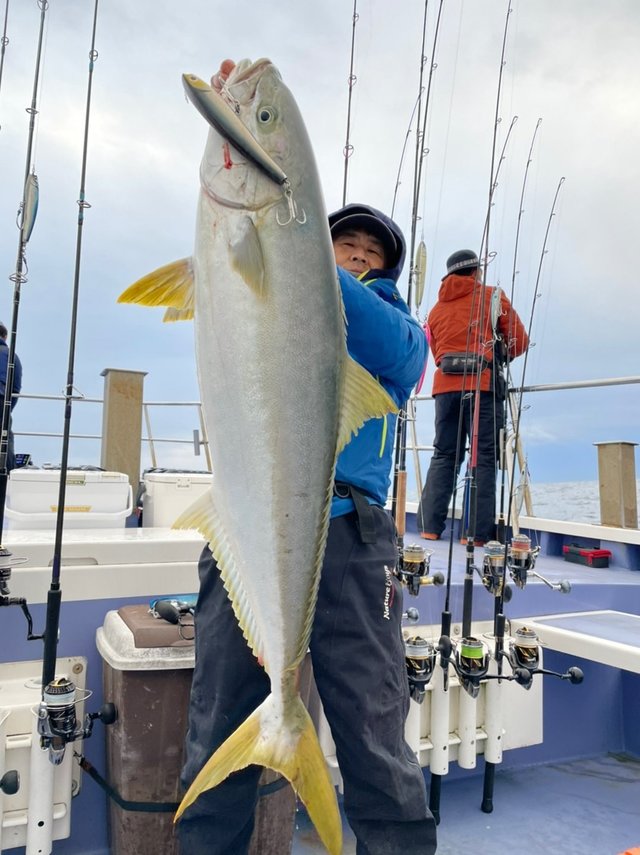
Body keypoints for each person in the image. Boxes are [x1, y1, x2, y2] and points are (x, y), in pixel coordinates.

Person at [178, 203, 437, 855]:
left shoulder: (396, 327)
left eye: (368, 253)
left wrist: (303, 261)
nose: (353, 254)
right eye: (340, 243)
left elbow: (398, 353)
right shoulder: (269, 313)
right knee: (217, 722)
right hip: (247, 527)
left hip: (353, 537)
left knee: (374, 728)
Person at [417, 249, 529, 545]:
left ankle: (429, 527)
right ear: (476, 272)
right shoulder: (493, 296)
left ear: (449, 276)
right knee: (482, 457)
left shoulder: (436, 311)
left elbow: (436, 350)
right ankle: (475, 535)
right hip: (482, 386)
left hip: (445, 390)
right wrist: (502, 355)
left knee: (444, 455)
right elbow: (520, 340)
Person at [0, 322, 22, 472]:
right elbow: (15, 388)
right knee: (5, 439)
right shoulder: (11, 355)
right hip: (1, 401)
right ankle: (5, 479)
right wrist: (8, 408)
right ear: (5, 336)